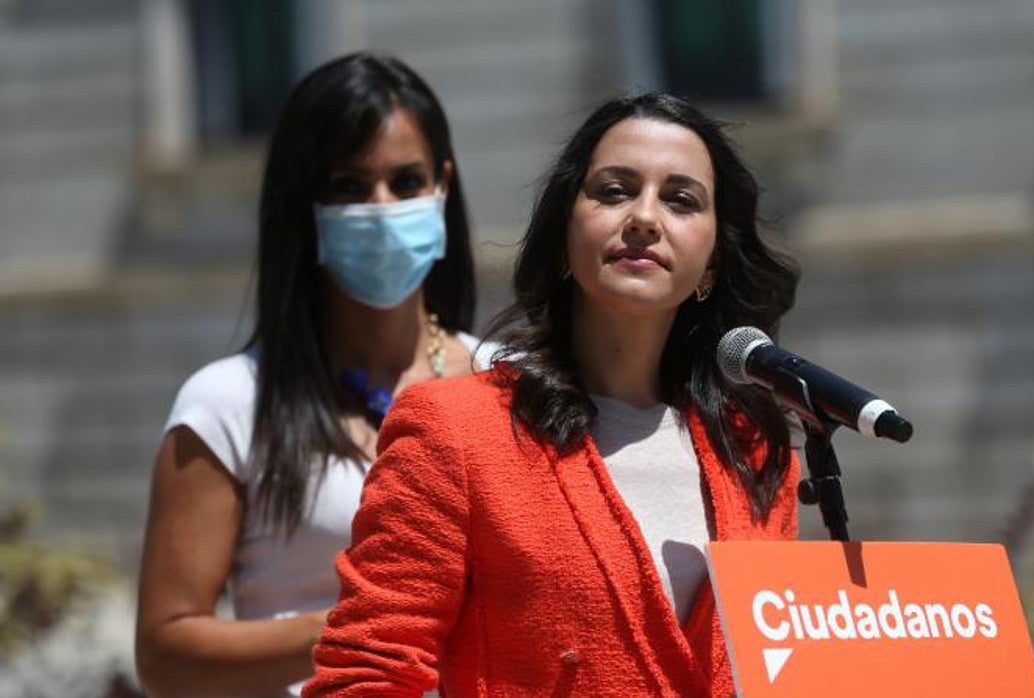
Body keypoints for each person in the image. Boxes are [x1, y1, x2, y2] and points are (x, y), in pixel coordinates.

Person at [303, 92, 802, 696]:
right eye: (614, 191)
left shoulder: (751, 452)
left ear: (714, 262)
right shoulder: (455, 431)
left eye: (680, 200)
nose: (644, 217)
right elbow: (364, 674)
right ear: (565, 234)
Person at [134, 51, 490, 697]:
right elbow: (166, 653)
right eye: (349, 187)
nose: (382, 208)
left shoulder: (507, 381)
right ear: (306, 206)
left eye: (405, 182)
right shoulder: (228, 403)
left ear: (443, 185)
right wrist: (366, 626)